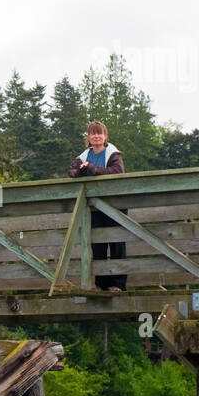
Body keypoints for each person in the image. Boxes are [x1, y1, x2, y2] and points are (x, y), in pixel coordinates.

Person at [68, 121, 127, 291]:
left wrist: (94, 169)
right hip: (94, 206)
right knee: (98, 246)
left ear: (105, 136)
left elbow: (117, 172)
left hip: (115, 204)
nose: (96, 136)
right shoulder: (83, 156)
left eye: (99, 133)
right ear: (88, 137)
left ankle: (118, 284)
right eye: (92, 133)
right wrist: (81, 170)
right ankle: (101, 284)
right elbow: (71, 172)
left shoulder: (113, 154)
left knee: (117, 245)